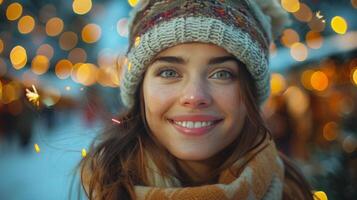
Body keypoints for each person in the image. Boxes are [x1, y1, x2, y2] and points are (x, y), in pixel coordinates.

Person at [80, 0, 314, 199]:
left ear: (251, 93)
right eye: (169, 72)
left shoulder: (293, 192)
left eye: (222, 74)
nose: (194, 96)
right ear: (140, 89)